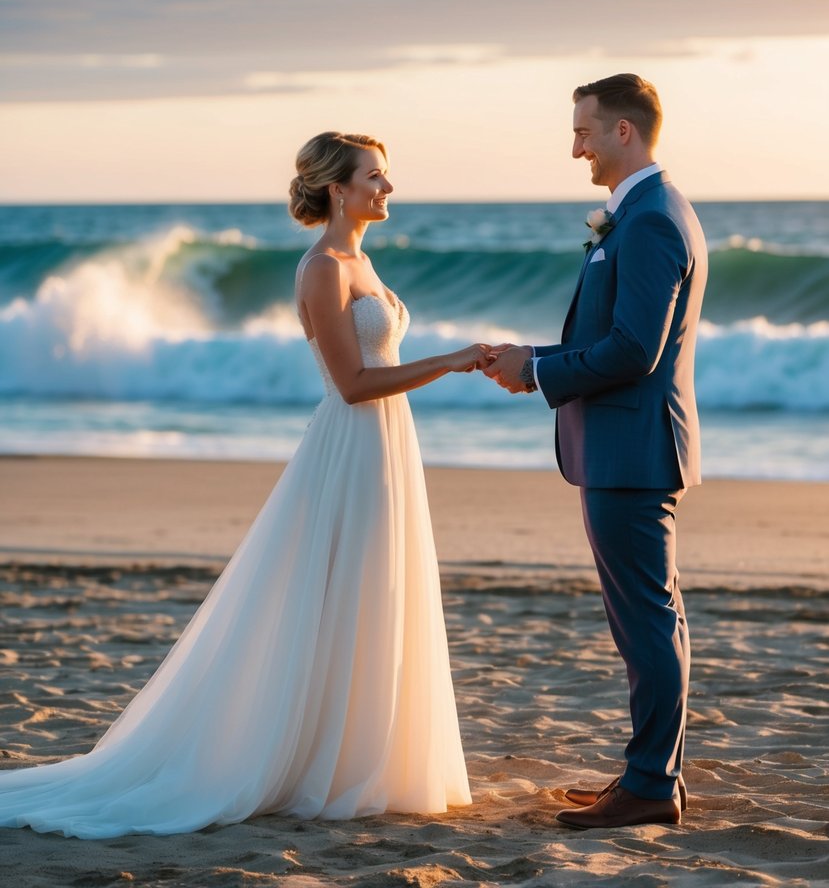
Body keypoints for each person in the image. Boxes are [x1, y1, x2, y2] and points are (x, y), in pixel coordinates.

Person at [0, 130, 486, 838]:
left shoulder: (361, 257)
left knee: (377, 589)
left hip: (388, 442)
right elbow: (351, 384)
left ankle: (364, 754)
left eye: (386, 176)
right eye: (375, 177)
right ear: (337, 189)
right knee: (342, 590)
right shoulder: (322, 267)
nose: (387, 188)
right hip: (352, 443)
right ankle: (314, 757)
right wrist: (453, 359)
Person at [485, 75, 708, 829]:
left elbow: (633, 352)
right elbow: (606, 341)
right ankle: (652, 776)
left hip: (632, 450)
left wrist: (542, 373)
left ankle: (649, 787)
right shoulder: (642, 211)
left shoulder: (649, 220)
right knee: (650, 619)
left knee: (645, 621)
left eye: (584, 130)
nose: (573, 146)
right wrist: (532, 358)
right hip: (626, 446)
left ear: (623, 132)